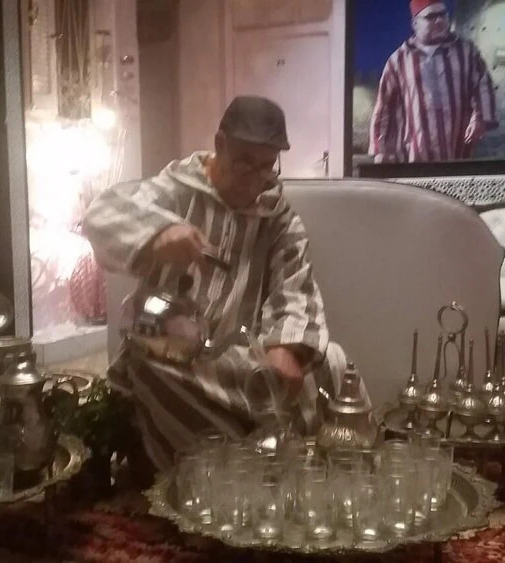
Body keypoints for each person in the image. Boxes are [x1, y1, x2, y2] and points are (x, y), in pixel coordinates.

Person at [82, 96, 347, 473]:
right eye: (244, 162)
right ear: (220, 144)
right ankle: (230, 466)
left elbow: (295, 284)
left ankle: (256, 458)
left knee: (332, 360)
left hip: (241, 360)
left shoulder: (277, 216)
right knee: (150, 371)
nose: (256, 178)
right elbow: (102, 214)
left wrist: (286, 347)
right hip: (175, 358)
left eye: (266, 165)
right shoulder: (177, 190)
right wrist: (159, 233)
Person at [369, 0, 498, 163]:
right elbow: (385, 106)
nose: (439, 21)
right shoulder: (399, 60)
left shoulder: (466, 52)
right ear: (415, 24)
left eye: (442, 15)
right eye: (431, 16)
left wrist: (479, 118)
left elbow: (482, 85)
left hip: (458, 151)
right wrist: (380, 150)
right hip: (415, 155)